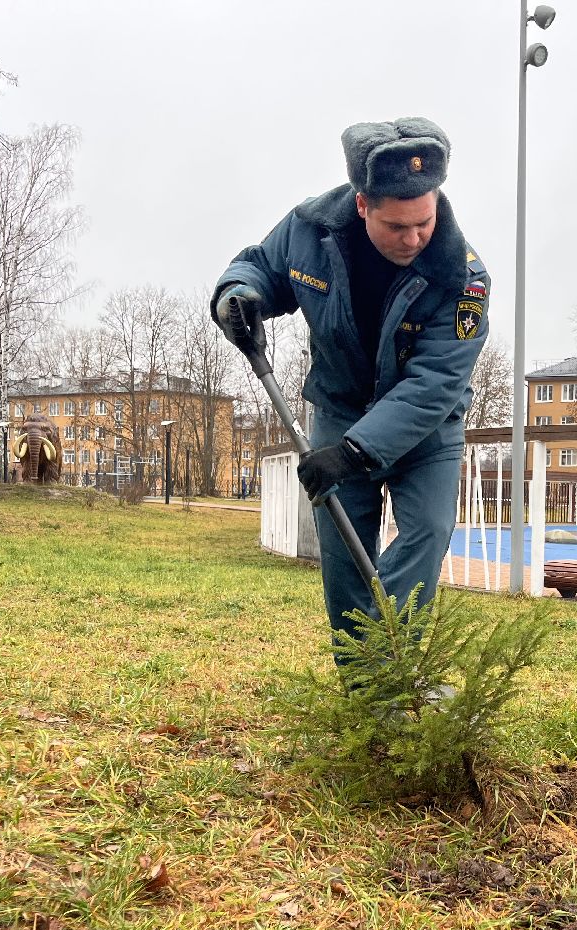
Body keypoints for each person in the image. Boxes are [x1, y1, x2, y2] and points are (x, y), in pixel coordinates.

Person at [211, 117, 490, 642]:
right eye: (396, 226)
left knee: (426, 535)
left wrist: (356, 451)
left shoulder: (462, 276)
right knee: (342, 563)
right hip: (339, 411)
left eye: (423, 222)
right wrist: (238, 297)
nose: (413, 238)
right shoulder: (310, 230)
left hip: (427, 431)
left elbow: (435, 383)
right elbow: (260, 268)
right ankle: (361, 696)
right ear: (362, 204)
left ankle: (392, 665)